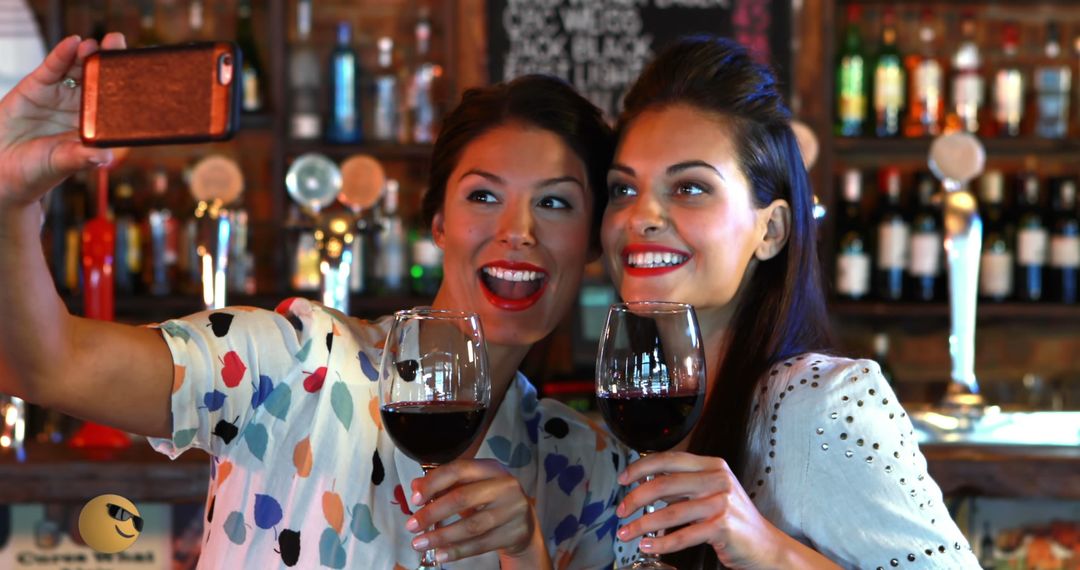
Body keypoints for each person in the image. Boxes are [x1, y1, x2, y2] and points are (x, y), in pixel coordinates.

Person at [0, 34, 623, 569]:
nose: (519, 230)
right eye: (483, 197)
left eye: (556, 202)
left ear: (593, 240)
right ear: (437, 224)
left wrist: (526, 553)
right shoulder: (299, 364)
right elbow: (47, 366)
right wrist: (9, 198)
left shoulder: (585, 469)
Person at [601, 36, 980, 569]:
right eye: (622, 189)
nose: (640, 217)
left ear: (772, 230)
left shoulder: (820, 403)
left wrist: (768, 549)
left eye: (689, 187)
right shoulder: (632, 412)